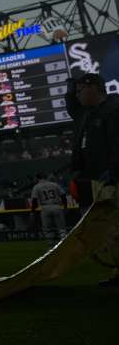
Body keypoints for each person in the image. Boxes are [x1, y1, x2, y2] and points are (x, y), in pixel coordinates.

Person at [65, 72, 119, 287]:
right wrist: (70, 90)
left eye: (80, 90)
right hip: (97, 180)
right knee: (110, 233)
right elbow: (73, 107)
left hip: (112, 180)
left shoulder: (113, 110)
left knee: (115, 229)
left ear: (94, 88)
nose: (77, 95)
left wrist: (114, 172)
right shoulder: (87, 114)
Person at [29, 172, 68, 243]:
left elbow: (34, 200)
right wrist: (65, 206)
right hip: (56, 206)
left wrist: (32, 211)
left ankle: (51, 245)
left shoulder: (37, 186)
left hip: (45, 207)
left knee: (48, 229)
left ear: (38, 178)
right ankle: (64, 244)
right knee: (61, 228)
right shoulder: (54, 184)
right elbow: (63, 195)